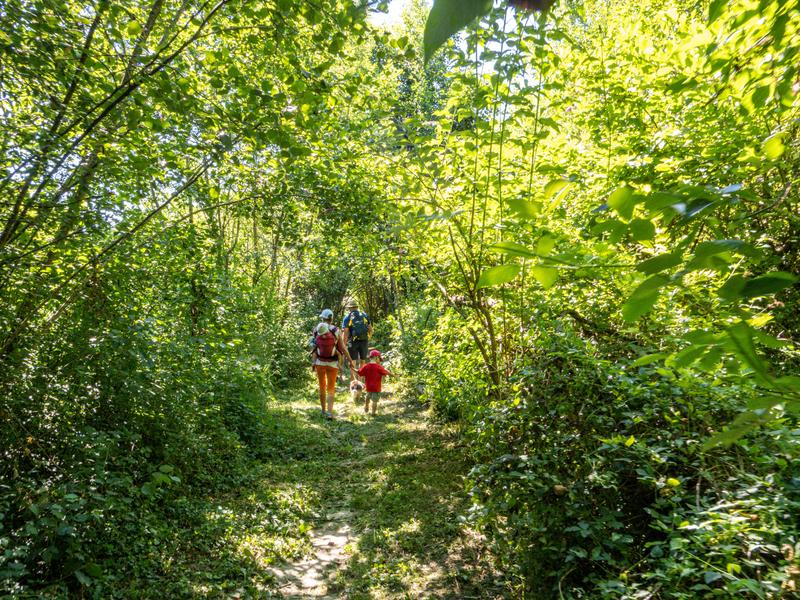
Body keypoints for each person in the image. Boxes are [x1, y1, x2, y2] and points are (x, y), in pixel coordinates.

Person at [311, 309, 353, 420]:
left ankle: (323, 411)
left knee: (321, 387)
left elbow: (314, 347)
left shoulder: (316, 329)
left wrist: (313, 362)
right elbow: (343, 348)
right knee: (331, 388)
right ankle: (329, 413)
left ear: (322, 318)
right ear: (331, 318)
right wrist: (350, 360)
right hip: (333, 363)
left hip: (319, 362)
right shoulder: (336, 330)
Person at [341, 299, 372, 379]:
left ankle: (353, 381)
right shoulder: (364, 315)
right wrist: (368, 338)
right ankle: (360, 380)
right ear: (357, 307)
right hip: (364, 340)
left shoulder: (347, 317)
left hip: (353, 341)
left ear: (350, 308)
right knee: (362, 360)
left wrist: (343, 344)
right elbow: (370, 329)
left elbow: (346, 333)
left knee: (353, 361)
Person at [357, 350, 393, 416]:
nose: (379, 361)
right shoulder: (379, 367)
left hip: (368, 387)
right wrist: (393, 375)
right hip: (376, 388)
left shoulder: (366, 366)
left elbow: (359, 372)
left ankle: (366, 406)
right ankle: (373, 413)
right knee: (374, 401)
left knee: (367, 397)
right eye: (379, 359)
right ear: (376, 357)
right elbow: (386, 372)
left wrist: (353, 369)